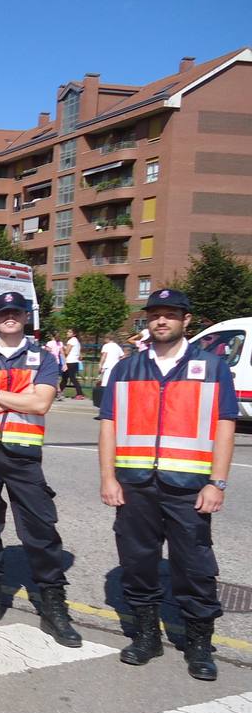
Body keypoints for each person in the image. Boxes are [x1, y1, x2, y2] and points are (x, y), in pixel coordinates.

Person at [99, 288, 237, 680]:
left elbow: (224, 425)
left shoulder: (211, 367)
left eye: (170, 314)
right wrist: (108, 477)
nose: (161, 321)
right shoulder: (127, 368)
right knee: (138, 563)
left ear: (186, 320)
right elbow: (108, 425)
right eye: (155, 314)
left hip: (189, 486)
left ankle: (198, 644)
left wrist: (218, 482)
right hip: (135, 484)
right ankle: (146, 636)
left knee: (194, 566)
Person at [0, 293, 81, 646]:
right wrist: (15, 400)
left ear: (25, 317)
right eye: (3, 312)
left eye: (16, 312)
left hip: (23, 454)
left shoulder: (43, 358)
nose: (10, 317)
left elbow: (41, 404)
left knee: (40, 528)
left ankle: (54, 605)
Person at [59, 328, 85, 400]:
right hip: (74, 362)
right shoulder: (77, 341)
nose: (67, 333)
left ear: (74, 334)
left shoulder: (71, 341)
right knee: (65, 378)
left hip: (70, 362)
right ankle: (59, 392)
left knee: (71, 378)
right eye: (68, 331)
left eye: (69, 332)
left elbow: (67, 352)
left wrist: (61, 350)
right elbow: (79, 354)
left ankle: (80, 394)